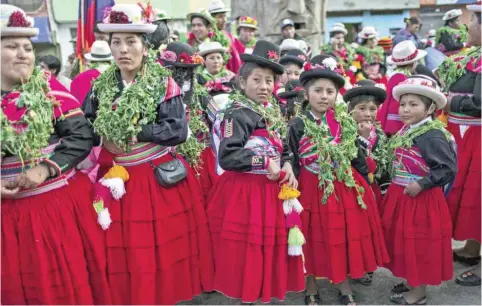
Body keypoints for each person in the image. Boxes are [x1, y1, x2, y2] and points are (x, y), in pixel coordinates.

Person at [82, 4, 214, 304]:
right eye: (116, 42)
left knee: (160, 250)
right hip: (116, 180)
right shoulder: (99, 87)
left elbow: (176, 130)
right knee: (123, 249)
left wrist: (132, 132)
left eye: (131, 41)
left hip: (153, 180)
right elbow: (86, 126)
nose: (123, 49)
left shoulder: (162, 83)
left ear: (145, 45)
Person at [1, 4, 111, 304]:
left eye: (27, 47)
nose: (23, 53)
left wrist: (45, 169)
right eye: (12, 46)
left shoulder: (47, 89)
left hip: (54, 204)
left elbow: (80, 135)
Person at [206, 40, 305, 303]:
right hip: (245, 192)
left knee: (267, 249)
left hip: (269, 191)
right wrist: (263, 162)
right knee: (248, 251)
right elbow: (228, 155)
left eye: (269, 81)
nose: (264, 87)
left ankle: (261, 292)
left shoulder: (271, 110)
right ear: (241, 82)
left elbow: (281, 147)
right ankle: (248, 295)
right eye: (257, 80)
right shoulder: (236, 114)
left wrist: (286, 164)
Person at [288, 54, 389, 306]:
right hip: (310, 190)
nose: (324, 96)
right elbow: (292, 157)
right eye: (318, 90)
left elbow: (355, 154)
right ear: (306, 93)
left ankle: (342, 283)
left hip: (342, 187)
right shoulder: (298, 124)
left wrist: (365, 179)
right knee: (310, 237)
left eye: (330, 91)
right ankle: (310, 285)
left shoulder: (343, 121)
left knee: (340, 237)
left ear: (336, 96)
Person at [380, 75, 457, 305]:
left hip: (421, 199)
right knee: (403, 241)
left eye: (413, 105)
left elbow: (447, 168)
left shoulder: (432, 134)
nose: (405, 110)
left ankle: (419, 291)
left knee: (419, 245)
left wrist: (422, 183)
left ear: (430, 107)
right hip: (401, 194)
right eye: (403, 104)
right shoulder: (407, 130)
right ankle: (410, 279)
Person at [440, 0, 482, 287]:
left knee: (478, 194)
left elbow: (479, 103)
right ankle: (472, 249)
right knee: (469, 193)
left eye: (473, 21)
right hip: (465, 134)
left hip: (477, 135)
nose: (467, 25)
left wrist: (448, 99)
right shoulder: (474, 56)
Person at [343, 79, 391, 203]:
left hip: (374, 189)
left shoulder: (380, 135)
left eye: (373, 109)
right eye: (362, 108)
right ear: (350, 109)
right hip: (353, 188)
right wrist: (363, 138)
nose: (368, 114)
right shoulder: (343, 133)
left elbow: (384, 168)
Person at [377, 40, 427, 136]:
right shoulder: (401, 78)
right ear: (413, 63)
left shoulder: (397, 76)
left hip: (396, 122)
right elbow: (389, 102)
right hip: (397, 124)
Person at [187, 8, 242, 73]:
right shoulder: (189, 45)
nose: (196, 29)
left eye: (199, 25)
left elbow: (235, 66)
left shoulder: (222, 42)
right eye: (193, 25)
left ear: (209, 27)